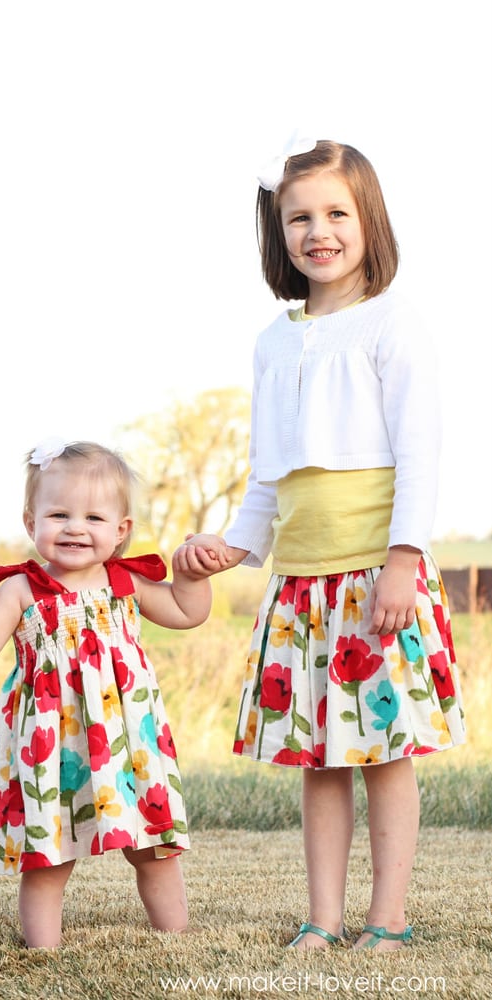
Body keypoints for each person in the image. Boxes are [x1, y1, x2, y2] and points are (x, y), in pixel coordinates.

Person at [174, 138, 465, 952]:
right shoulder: (273, 341)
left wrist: (403, 559)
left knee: (381, 752)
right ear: (278, 232)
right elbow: (269, 470)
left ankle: (388, 918)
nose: (317, 231)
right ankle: (322, 918)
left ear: (368, 220)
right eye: (298, 217)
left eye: (336, 212)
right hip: (301, 586)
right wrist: (233, 546)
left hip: (376, 575)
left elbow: (418, 452)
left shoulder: (392, 323)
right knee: (320, 759)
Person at [0, 439, 216, 948]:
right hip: (53, 745)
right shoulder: (21, 590)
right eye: (59, 514)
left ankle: (175, 935)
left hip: (126, 742)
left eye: (94, 518)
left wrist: (192, 577)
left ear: (121, 532)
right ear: (31, 523)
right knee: (50, 854)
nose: (75, 527)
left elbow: (188, 614)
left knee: (154, 846)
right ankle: (43, 950)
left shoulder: (125, 582)